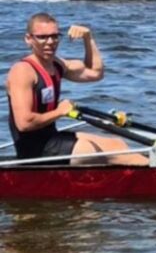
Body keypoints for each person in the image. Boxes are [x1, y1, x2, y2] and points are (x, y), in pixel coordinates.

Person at [5, 12, 147, 165]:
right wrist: (60, 112)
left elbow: (96, 73)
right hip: (34, 150)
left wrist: (88, 38)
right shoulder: (22, 71)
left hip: (51, 138)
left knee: (117, 145)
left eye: (54, 36)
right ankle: (153, 172)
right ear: (29, 39)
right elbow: (24, 123)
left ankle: (152, 168)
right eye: (42, 37)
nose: (50, 42)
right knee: (91, 150)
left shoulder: (57, 65)